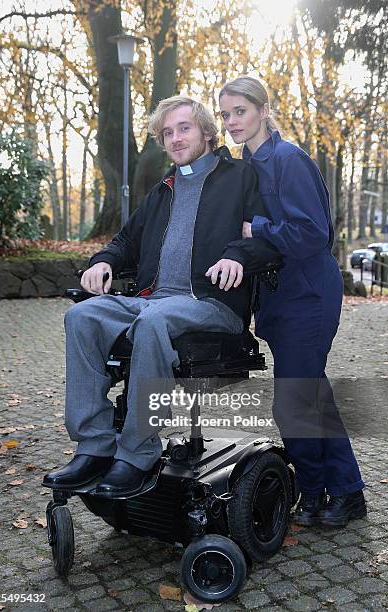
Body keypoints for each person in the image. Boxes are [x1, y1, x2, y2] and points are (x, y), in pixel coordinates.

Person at [43, 95, 280, 497]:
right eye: (167, 132)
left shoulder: (241, 176)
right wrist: (103, 262)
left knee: (154, 321)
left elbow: (268, 236)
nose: (175, 138)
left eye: (183, 127)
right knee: (81, 317)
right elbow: (125, 241)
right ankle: (96, 446)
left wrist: (237, 255)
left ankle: (138, 453)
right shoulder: (163, 190)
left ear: (206, 131)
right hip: (154, 299)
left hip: (213, 304)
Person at [219, 76, 366, 527]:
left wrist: (257, 229)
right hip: (281, 300)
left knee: (296, 400)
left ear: (263, 110)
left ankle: (330, 490)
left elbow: (312, 233)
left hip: (309, 293)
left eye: (239, 112)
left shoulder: (288, 159)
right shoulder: (249, 165)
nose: (231, 123)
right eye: (224, 115)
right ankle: (337, 493)